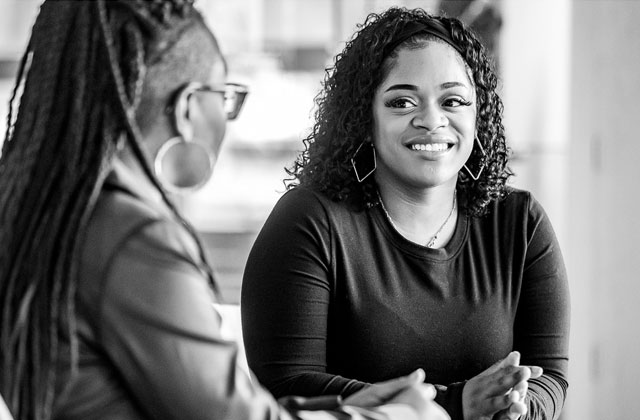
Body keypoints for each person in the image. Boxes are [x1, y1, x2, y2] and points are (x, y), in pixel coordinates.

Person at [0, 2, 450, 420]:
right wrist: (399, 415)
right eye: (227, 97)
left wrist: (336, 405)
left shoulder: (58, 214)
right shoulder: (134, 239)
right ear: (188, 108)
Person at [241, 7, 570, 420]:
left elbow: (550, 376)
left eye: (453, 100)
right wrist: (455, 404)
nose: (432, 120)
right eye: (402, 102)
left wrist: (517, 405)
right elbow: (287, 382)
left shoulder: (521, 223)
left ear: (477, 116)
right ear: (365, 119)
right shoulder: (310, 221)